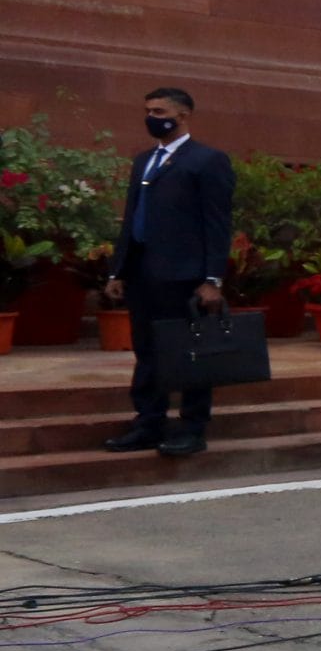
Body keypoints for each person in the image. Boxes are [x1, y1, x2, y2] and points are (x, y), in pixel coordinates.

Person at [101, 86, 235, 459]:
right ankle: (149, 422)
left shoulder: (207, 160)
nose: (151, 117)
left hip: (185, 276)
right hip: (144, 274)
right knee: (147, 350)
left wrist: (212, 279)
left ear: (182, 115)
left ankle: (192, 427)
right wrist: (117, 271)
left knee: (191, 351)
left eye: (159, 111)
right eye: (148, 110)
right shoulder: (144, 161)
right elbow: (132, 220)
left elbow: (217, 224)